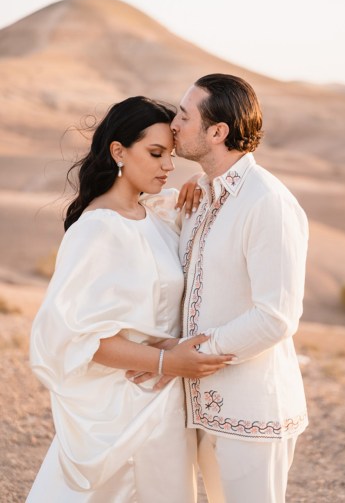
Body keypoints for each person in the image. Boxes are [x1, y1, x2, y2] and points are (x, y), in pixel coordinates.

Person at [27, 96, 234, 502]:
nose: (168, 166)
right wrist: (166, 361)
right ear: (118, 151)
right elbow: (77, 339)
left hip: (166, 406)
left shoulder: (153, 217)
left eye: (170, 155)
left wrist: (201, 182)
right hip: (121, 409)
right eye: (155, 154)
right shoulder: (96, 231)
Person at [156, 74, 308, 502]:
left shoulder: (267, 202)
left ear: (218, 132)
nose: (174, 124)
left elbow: (276, 317)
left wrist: (192, 357)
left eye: (185, 115)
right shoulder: (201, 196)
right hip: (201, 410)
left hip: (252, 412)